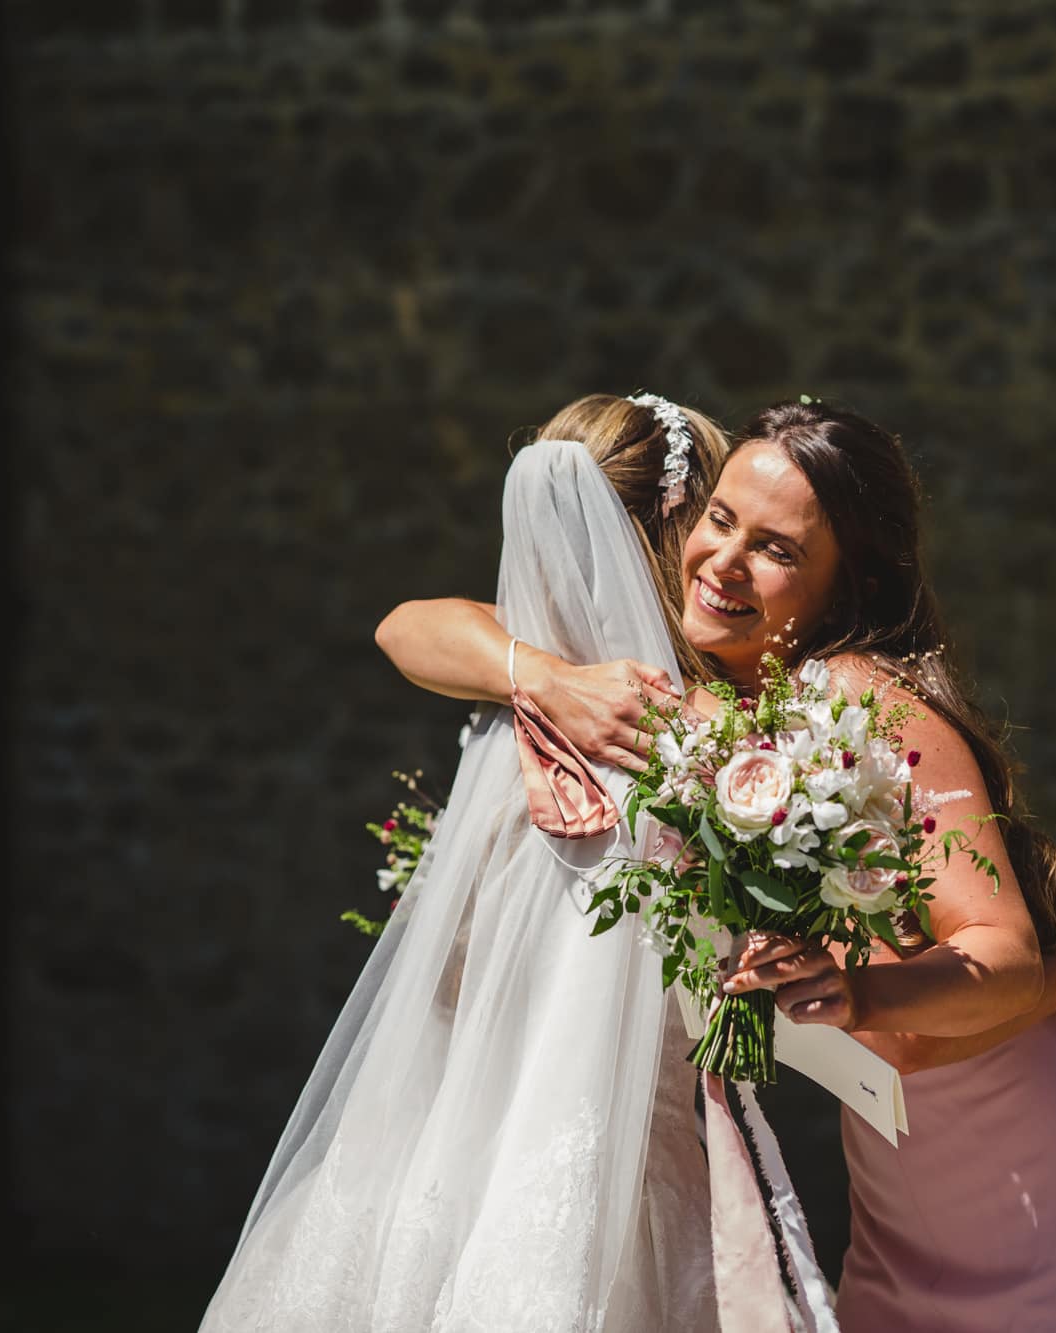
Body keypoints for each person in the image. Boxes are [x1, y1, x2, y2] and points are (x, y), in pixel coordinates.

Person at [379, 402, 1056, 1330]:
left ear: (846, 581)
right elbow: (410, 627)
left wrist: (988, 987)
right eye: (718, 520)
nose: (725, 560)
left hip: (1037, 1169)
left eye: (779, 549)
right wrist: (549, 679)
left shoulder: (862, 700)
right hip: (900, 1185)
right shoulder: (696, 695)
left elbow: (994, 953)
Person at [199, 394, 733, 1332]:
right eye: (719, 516)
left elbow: (406, 626)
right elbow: (405, 624)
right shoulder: (594, 692)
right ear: (675, 525)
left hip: (443, 1142)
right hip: (586, 1154)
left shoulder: (524, 682)